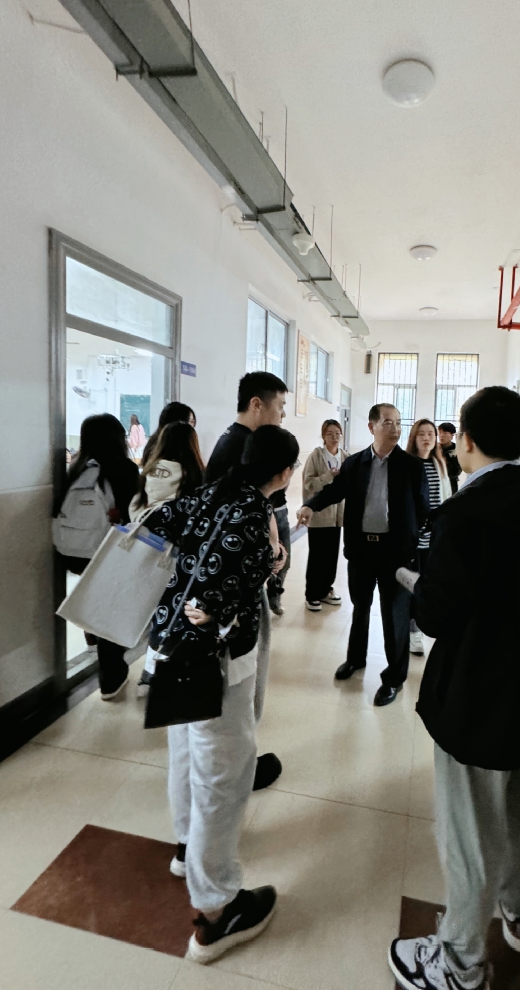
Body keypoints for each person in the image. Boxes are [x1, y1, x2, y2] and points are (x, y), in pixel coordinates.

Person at [388, 387, 520, 990]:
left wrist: (414, 581)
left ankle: (460, 961)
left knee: (470, 832)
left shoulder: (464, 513)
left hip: (477, 697)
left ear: (466, 440)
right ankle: (517, 912)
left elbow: (436, 617)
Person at [142, 426, 298, 964]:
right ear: (284, 473)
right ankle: (217, 909)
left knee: (186, 752)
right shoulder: (256, 515)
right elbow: (232, 592)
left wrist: (179, 587)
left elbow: (151, 527)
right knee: (223, 776)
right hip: (213, 668)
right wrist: (267, 563)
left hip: (166, 652)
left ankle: (187, 849)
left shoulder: (207, 495)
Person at [297, 404, 429, 707]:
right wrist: (310, 505)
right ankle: (355, 659)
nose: (395, 429)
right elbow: (335, 491)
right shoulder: (355, 463)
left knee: (394, 614)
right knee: (360, 607)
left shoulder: (411, 466)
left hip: (395, 554)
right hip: (361, 551)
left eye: (398, 423)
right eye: (388, 423)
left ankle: (394, 677)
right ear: (372, 427)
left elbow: (422, 508)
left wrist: (409, 543)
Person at [54, 413, 139, 699]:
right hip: (109, 549)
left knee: (94, 598)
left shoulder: (76, 468)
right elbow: (134, 512)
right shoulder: (124, 469)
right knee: (111, 610)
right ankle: (111, 678)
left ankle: (92, 642)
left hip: (74, 552)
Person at [130, 421, 206, 695]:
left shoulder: (148, 470)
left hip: (146, 548)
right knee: (174, 617)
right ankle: (163, 675)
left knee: (157, 616)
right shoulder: (192, 474)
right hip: (176, 559)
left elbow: (136, 506)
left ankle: (148, 674)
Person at [208, 373, 290, 616]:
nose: (283, 414)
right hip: (231, 566)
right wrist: (273, 547)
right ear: (256, 404)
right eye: (280, 406)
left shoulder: (234, 438)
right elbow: (248, 508)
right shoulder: (242, 446)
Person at [405, 419, 452, 656]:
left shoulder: (438, 463)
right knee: (413, 584)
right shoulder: (407, 464)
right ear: (414, 438)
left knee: (430, 583)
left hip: (434, 538)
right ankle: (412, 629)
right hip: (413, 537)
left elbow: (446, 498)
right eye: (421, 434)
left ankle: (422, 624)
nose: (426, 438)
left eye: (430, 434)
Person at [302, 419, 348, 611]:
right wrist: (329, 476)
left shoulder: (345, 456)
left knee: (331, 557)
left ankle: (326, 590)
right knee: (317, 557)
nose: (334, 437)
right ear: (323, 436)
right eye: (330, 433)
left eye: (337, 433)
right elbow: (309, 483)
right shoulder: (317, 456)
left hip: (337, 517)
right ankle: (312, 594)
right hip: (319, 516)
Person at [142, 401, 197, 469]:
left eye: (193, 422)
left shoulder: (153, 445)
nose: (192, 427)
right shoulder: (176, 450)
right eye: (190, 422)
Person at [437, 422, 462, 494]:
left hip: (451, 485)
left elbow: (455, 472)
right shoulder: (434, 448)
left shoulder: (457, 450)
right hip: (436, 484)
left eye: (445, 433)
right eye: (440, 433)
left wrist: (441, 456)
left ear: (452, 435)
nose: (441, 435)